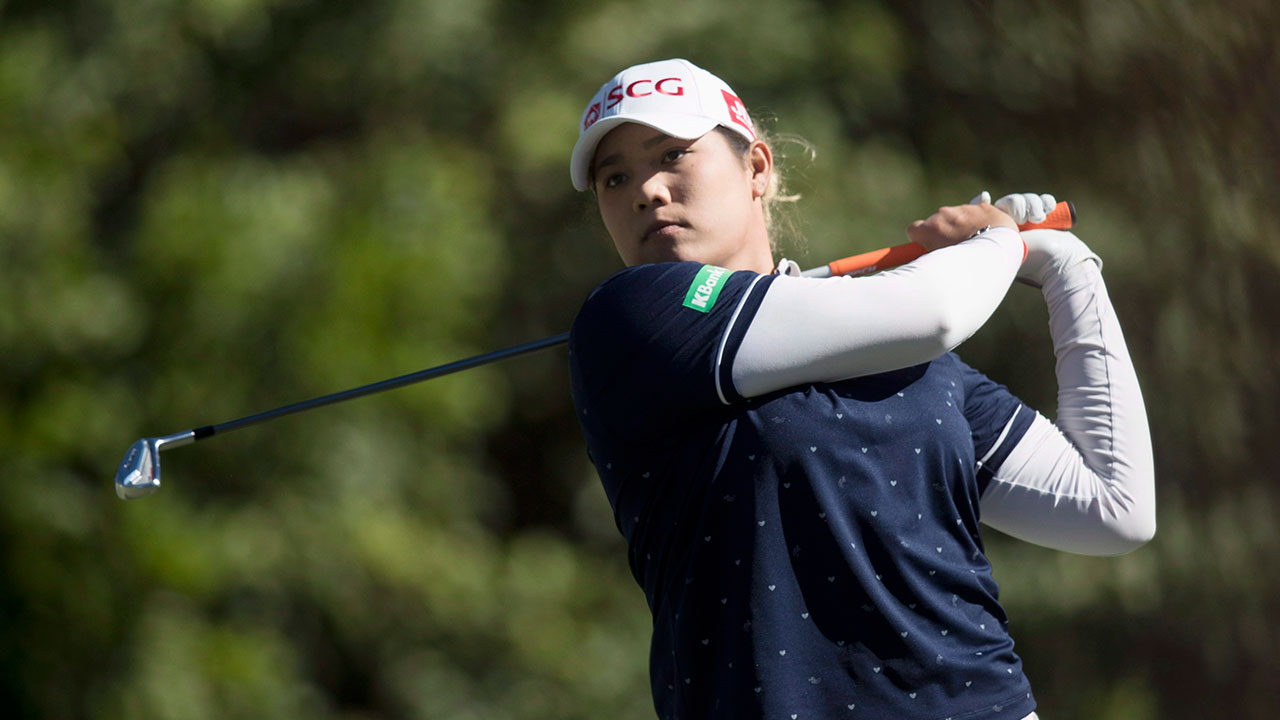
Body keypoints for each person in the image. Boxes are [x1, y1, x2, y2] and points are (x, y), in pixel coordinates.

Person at [566, 58, 1154, 720]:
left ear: (756, 167)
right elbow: (935, 313)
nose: (646, 189)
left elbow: (1113, 508)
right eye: (615, 178)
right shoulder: (631, 319)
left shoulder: (904, 353)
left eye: (672, 154)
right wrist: (996, 243)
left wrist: (1068, 269)